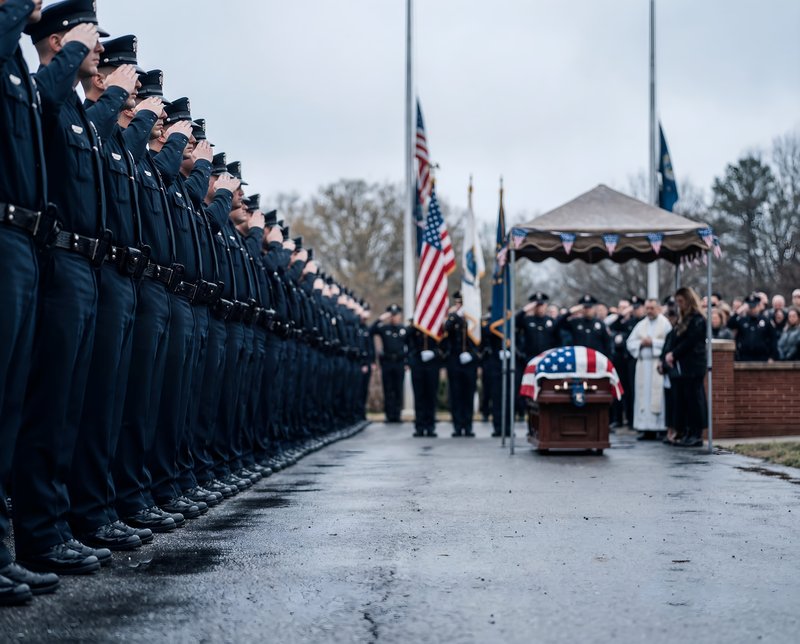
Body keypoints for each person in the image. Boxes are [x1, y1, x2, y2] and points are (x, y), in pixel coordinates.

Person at [14, 0, 111, 575]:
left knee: (78, 403)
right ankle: (38, 531)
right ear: (57, 43)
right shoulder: (41, 89)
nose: (96, 50)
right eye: (86, 38)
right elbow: (41, 101)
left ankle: (66, 521)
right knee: (43, 404)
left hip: (91, 267)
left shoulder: (76, 111)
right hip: (51, 255)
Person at [0, 0, 64, 603]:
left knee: (16, 405)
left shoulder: (17, 61)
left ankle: (7, 547)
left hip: (28, 245)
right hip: (7, 238)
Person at [663, 287, 707, 447]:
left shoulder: (697, 319)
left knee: (695, 399)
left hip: (694, 364)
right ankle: (687, 431)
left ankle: (696, 433)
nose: (679, 305)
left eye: (681, 301)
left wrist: (673, 354)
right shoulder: (684, 319)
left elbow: (691, 341)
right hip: (684, 366)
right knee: (687, 399)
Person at [626, 299, 672, 440]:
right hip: (643, 364)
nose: (649, 311)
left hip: (656, 364)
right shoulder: (641, 325)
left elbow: (669, 342)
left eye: (652, 308)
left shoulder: (665, 324)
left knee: (657, 396)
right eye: (647, 308)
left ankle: (660, 428)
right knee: (642, 396)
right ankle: (645, 428)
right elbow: (630, 342)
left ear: (658, 308)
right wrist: (641, 343)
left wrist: (653, 342)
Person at [443, 291, 479, 437]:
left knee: (468, 394)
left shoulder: (474, 318)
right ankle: (457, 426)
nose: (460, 305)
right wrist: (455, 315)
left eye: (462, 303)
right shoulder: (453, 317)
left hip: (469, 362)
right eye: (458, 302)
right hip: (455, 360)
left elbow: (479, 341)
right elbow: (446, 328)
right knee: (456, 394)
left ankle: (468, 426)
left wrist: (472, 355)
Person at [370, 304, 407, 423]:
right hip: (387, 362)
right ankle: (389, 415)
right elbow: (370, 331)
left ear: (400, 316)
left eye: (396, 315)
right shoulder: (384, 328)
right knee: (388, 389)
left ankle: (397, 414)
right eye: (392, 315)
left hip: (400, 362)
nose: (394, 318)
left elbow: (410, 346)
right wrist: (381, 318)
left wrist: (407, 362)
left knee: (398, 389)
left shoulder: (404, 329)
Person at [406, 324, 442, 437]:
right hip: (418, 363)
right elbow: (406, 339)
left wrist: (435, 352)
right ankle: (420, 426)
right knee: (419, 396)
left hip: (432, 364)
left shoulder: (437, 324)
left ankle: (430, 426)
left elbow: (443, 343)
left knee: (431, 396)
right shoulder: (415, 325)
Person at [727, 293, 778, 362]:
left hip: (762, 357)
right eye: (751, 307)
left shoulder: (766, 321)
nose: (753, 309)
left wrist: (772, 357)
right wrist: (739, 311)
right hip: (744, 357)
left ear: (759, 306)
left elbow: (773, 339)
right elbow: (729, 324)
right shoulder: (742, 320)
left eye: (755, 306)